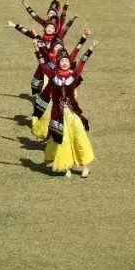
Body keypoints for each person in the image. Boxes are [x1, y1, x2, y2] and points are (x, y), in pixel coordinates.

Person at [41, 42, 97, 178]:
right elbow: (43, 65)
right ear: (58, 63)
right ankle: (67, 167)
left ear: (69, 63)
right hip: (58, 115)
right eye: (62, 61)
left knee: (79, 137)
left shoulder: (73, 75)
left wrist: (90, 49)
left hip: (72, 113)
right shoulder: (53, 76)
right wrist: (37, 49)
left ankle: (85, 166)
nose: (65, 63)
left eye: (66, 61)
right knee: (63, 140)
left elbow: (81, 63)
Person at [8, 19, 61, 95]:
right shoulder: (41, 39)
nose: (50, 29)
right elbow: (28, 33)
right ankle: (39, 96)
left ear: (55, 31)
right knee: (36, 80)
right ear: (45, 28)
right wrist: (14, 25)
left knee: (49, 81)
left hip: (51, 64)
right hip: (42, 63)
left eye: (52, 28)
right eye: (48, 27)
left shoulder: (55, 40)